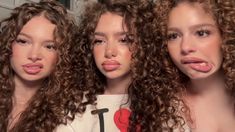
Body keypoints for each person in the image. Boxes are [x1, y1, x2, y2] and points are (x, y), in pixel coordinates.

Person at [56, 0, 184, 131]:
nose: (109, 52)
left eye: (124, 40)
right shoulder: (75, 107)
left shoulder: (165, 106)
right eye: (99, 41)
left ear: (144, 45)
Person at [0, 0, 81, 131]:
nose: (34, 55)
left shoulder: (71, 115)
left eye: (49, 46)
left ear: (63, 54)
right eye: (23, 41)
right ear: (8, 43)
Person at [154, 0, 235, 131]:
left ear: (227, 34)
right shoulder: (159, 107)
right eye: (174, 36)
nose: (185, 47)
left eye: (201, 33)